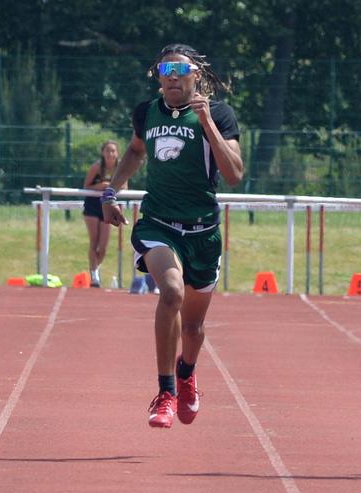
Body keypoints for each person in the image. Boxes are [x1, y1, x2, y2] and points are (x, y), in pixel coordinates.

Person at [102, 43, 244, 428]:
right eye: (165, 69)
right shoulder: (146, 113)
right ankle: (165, 392)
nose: (172, 76)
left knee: (194, 328)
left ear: (196, 75)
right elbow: (134, 152)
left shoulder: (219, 115)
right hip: (159, 223)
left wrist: (208, 124)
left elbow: (234, 174)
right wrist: (112, 191)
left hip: (203, 232)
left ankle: (186, 373)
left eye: (181, 70)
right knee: (171, 292)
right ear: (158, 75)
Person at [82, 140, 125, 287]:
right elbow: (86, 186)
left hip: (109, 205)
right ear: (103, 153)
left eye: (113, 151)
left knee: (104, 245)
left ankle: (95, 268)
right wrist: (100, 186)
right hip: (93, 205)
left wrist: (112, 188)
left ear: (117, 153)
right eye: (108, 151)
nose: (110, 154)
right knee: (94, 240)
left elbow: (125, 187)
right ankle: (94, 276)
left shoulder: (121, 168)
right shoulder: (97, 167)